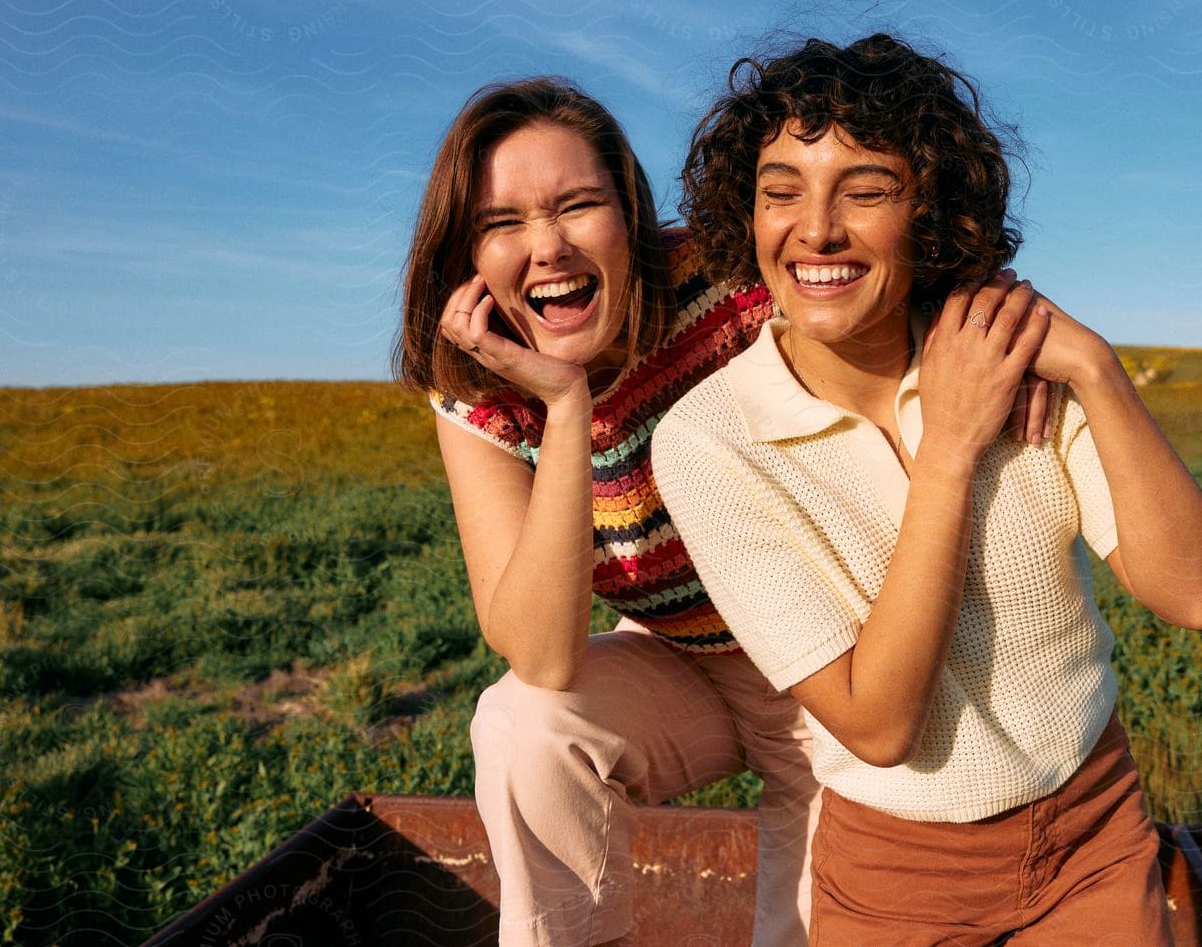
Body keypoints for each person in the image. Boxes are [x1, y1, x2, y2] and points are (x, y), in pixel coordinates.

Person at [393, 75, 1054, 947]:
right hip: (680, 660)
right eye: (502, 223)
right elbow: (543, 653)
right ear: (467, 256)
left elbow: (876, 282)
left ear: (630, 215)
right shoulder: (478, 392)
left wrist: (988, 305)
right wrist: (564, 407)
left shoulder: (730, 282)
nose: (546, 247)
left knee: (813, 928)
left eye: (578, 205)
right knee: (523, 724)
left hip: (835, 660)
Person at [651, 34, 1202, 945]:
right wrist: (952, 448)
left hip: (1093, 829)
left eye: (867, 189)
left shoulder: (1011, 355)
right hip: (897, 878)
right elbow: (875, 725)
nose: (816, 229)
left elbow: (1192, 594)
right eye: (781, 191)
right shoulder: (709, 441)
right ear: (744, 213)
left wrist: (1095, 368)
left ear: (930, 210)